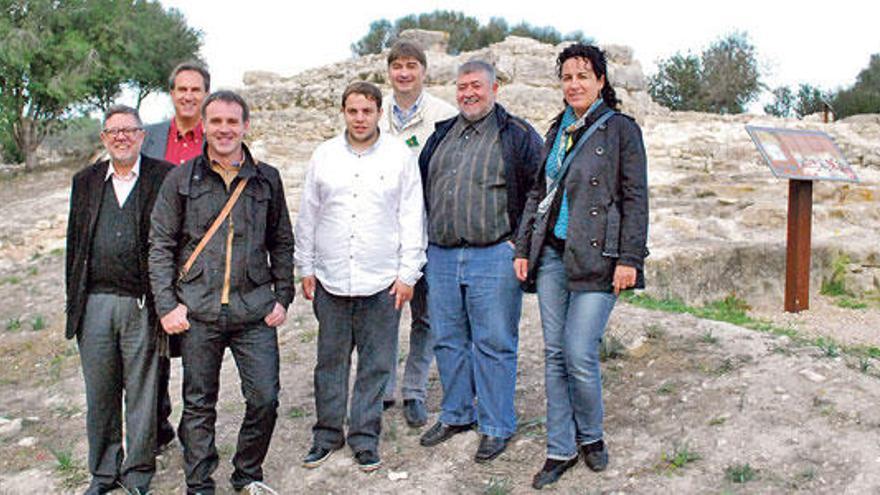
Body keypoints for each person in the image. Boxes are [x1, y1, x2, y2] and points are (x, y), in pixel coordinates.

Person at [513, 43, 649, 489]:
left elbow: (635, 198)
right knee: (554, 353)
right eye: (567, 77)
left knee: (578, 351)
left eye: (583, 76)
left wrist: (630, 258)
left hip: (600, 257)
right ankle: (560, 448)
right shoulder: (556, 130)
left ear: (601, 82)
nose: (574, 84)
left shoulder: (621, 130)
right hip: (552, 253)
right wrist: (522, 248)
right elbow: (538, 193)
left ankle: (590, 436)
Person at [148, 90, 295, 495]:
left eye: (233, 122)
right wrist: (166, 305)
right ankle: (199, 482)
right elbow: (160, 244)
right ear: (204, 127)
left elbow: (282, 241)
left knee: (265, 397)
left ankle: (248, 474)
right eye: (216, 122)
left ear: (245, 125)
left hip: (254, 311)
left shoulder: (268, 178)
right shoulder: (180, 179)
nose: (225, 130)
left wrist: (283, 296)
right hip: (198, 311)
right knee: (198, 404)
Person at [417, 60, 543, 463]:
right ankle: (456, 413)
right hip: (441, 254)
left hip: (495, 253)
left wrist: (519, 246)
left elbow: (538, 193)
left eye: (475, 85)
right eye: (461, 87)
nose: (468, 93)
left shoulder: (518, 135)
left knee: (493, 342)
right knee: (448, 339)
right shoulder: (441, 135)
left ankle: (496, 424)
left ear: (494, 89)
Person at [296, 81, 426, 472]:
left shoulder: (399, 158)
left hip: (382, 282)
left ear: (378, 113)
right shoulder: (324, 156)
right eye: (352, 111)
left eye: (367, 111)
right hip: (332, 280)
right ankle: (327, 435)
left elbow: (411, 217)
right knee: (330, 362)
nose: (359, 118)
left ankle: (365, 437)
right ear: (344, 113)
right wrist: (306, 266)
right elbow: (308, 215)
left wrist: (408, 274)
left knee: (376, 364)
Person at [65, 105, 173, 495]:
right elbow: (74, 246)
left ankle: (138, 471)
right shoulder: (86, 181)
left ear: (143, 136)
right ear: (103, 139)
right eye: (113, 131)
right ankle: (103, 473)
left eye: (129, 130)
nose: (121, 137)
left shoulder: (163, 177)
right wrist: (72, 306)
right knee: (100, 392)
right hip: (94, 303)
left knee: (143, 392)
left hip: (142, 304)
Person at [378, 40, 457, 427]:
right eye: (397, 66)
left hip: (432, 231)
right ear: (389, 72)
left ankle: (414, 390)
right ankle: (384, 388)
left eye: (412, 65)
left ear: (424, 70)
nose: (404, 73)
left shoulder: (445, 115)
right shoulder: (375, 116)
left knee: (425, 317)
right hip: (384, 233)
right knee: (386, 314)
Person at [142, 60, 211, 452]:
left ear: (205, 94)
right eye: (181, 89)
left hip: (202, 264)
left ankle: (194, 432)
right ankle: (156, 426)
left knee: (198, 355)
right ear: (171, 93)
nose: (188, 96)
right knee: (152, 353)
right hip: (158, 255)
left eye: (195, 89)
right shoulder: (149, 137)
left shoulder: (217, 137)